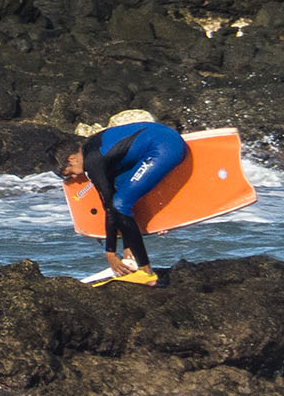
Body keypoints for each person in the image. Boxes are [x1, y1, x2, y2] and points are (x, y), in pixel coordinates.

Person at [53, 108, 189, 282]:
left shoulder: (93, 162)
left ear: (72, 159)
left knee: (120, 203)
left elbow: (111, 206)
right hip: (163, 136)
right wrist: (125, 244)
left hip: (165, 148)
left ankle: (146, 272)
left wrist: (109, 252)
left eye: (69, 173)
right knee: (121, 193)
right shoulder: (91, 146)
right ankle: (131, 252)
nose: (74, 178)